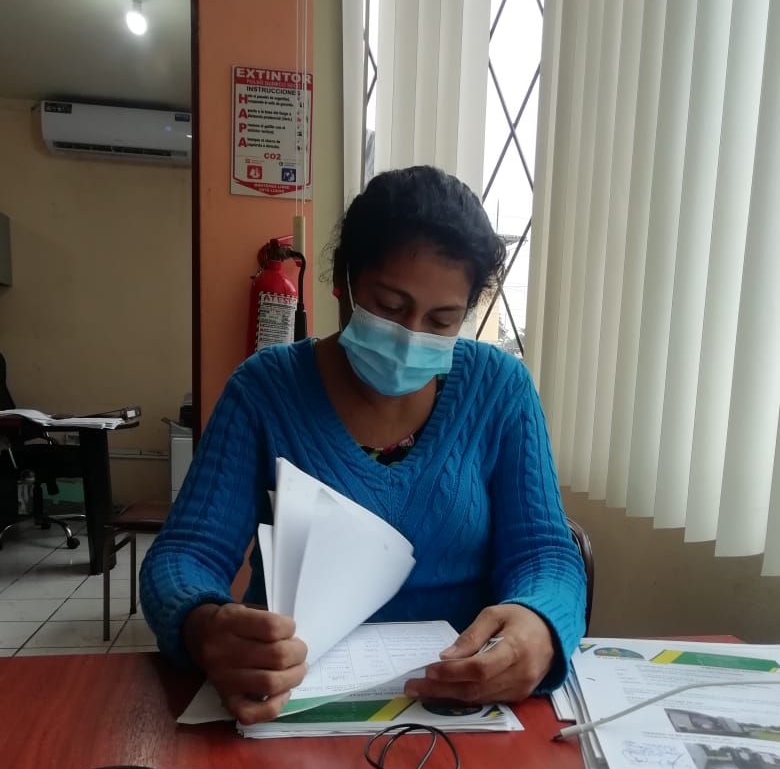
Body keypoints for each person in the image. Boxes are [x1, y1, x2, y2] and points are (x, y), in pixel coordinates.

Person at [140, 166, 586, 723]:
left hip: (460, 709)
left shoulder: (499, 389)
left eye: (441, 320)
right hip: (286, 701)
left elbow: (546, 553)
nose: (411, 335)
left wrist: (538, 623)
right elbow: (185, 554)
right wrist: (204, 625)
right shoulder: (264, 391)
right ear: (342, 282)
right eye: (390, 307)